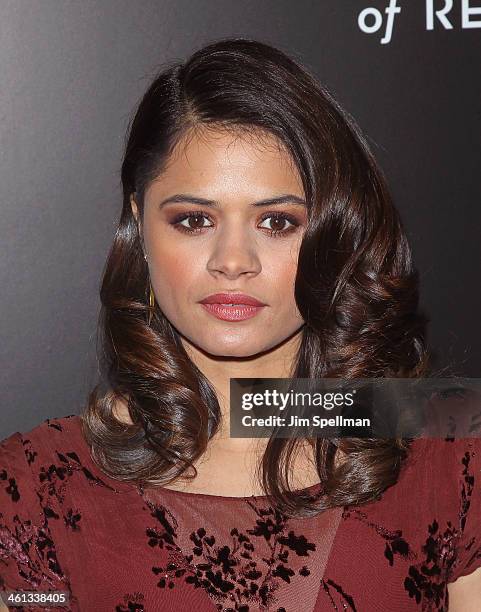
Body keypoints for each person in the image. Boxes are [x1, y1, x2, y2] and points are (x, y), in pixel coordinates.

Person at [1, 37, 480, 612]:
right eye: (195, 219)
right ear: (139, 225)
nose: (233, 260)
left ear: (337, 233)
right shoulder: (32, 486)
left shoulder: (452, 451)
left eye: (277, 221)